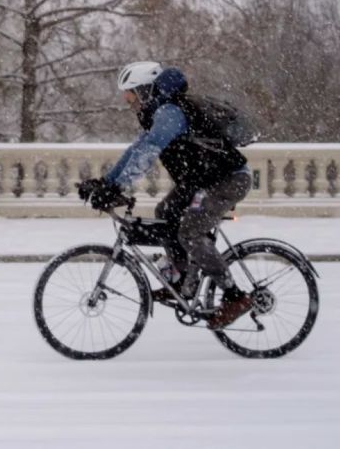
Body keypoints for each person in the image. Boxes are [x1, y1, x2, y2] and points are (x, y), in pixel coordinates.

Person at [78, 61, 254, 330]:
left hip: (227, 179)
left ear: (146, 90)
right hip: (201, 180)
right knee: (165, 214)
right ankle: (182, 278)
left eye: (131, 93)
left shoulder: (171, 113)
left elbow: (148, 152)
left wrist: (116, 188)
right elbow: (135, 151)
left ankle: (234, 296)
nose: (128, 100)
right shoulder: (157, 114)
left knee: (191, 232)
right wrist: (107, 182)